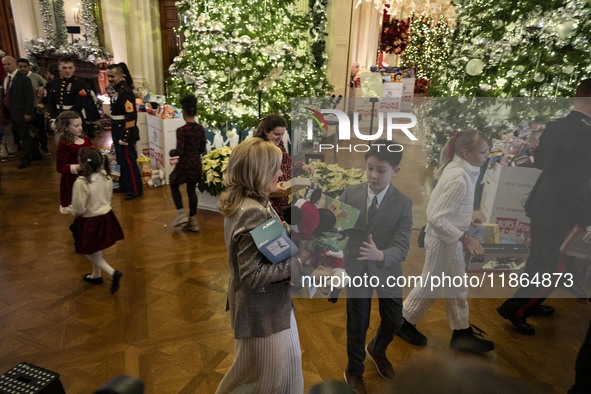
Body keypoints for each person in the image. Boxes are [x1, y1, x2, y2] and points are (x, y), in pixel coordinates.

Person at [497, 79, 591, 335]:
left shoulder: (558, 124)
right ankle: (516, 309)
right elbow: (577, 182)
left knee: (539, 259)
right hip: (561, 209)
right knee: (552, 267)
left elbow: (540, 162)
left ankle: (532, 301)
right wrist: (587, 217)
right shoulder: (585, 133)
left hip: (543, 202)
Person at [215, 138, 303, 394]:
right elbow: (252, 276)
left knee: (285, 366)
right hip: (262, 310)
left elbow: (274, 239)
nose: (280, 173)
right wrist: (298, 264)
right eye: (275, 168)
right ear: (258, 173)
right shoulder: (252, 211)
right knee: (268, 381)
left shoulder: (251, 201)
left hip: (270, 306)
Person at [398, 131, 494, 354]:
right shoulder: (459, 178)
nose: (487, 155)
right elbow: (436, 217)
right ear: (466, 153)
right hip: (443, 240)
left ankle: (461, 333)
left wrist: (469, 217)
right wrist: (466, 239)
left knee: (457, 286)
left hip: (448, 238)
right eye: (483, 152)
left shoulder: (459, 168)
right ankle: (402, 321)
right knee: (430, 284)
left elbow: (448, 207)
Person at [338, 140, 412, 394]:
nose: (373, 175)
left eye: (381, 170)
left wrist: (380, 253)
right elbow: (338, 233)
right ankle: (354, 371)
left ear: (396, 171)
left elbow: (402, 248)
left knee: (395, 320)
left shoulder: (403, 203)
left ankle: (377, 349)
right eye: (369, 168)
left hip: (386, 270)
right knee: (357, 324)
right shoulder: (350, 193)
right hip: (356, 270)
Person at [71, 147, 124, 294]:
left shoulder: (81, 183)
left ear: (82, 163)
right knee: (95, 247)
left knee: (88, 250)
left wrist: (74, 215)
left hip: (89, 220)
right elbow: (108, 197)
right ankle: (96, 274)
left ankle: (112, 272)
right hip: (105, 216)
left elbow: (79, 208)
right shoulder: (106, 176)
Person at [254, 114, 312, 220]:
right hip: (266, 200)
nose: (280, 138)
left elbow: (286, 162)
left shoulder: (278, 144)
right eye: (276, 134)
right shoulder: (257, 149)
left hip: (281, 196)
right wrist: (272, 187)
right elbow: (254, 181)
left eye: (282, 134)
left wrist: (301, 167)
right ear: (266, 131)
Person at [169, 94, 206, 232]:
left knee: (173, 183)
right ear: (195, 112)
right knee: (191, 190)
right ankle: (193, 220)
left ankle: (180, 214)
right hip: (196, 163)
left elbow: (180, 150)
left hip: (185, 163)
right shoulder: (200, 129)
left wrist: (171, 152)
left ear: (183, 112)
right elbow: (202, 148)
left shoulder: (181, 130)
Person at [107, 62, 143, 200]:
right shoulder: (117, 90)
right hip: (117, 129)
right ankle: (124, 185)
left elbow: (131, 116)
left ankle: (135, 189)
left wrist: (125, 137)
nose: (110, 79)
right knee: (121, 161)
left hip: (125, 132)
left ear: (121, 76)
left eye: (113, 76)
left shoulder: (125, 92)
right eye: (109, 76)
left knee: (129, 162)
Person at [2, 55, 38, 169]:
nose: (6, 66)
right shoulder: (6, 78)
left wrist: (28, 112)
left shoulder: (23, 79)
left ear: (14, 64)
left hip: (22, 112)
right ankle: (36, 153)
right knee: (22, 134)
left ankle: (25, 159)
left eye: (9, 64)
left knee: (25, 136)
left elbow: (29, 97)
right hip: (11, 112)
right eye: (4, 64)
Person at [55, 111, 93, 214]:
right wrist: (79, 167)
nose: (80, 128)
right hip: (73, 182)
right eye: (76, 126)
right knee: (78, 210)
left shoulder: (86, 139)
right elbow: (60, 167)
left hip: (88, 177)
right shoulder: (64, 144)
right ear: (66, 127)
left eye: (81, 125)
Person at [46, 57, 93, 135]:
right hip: (58, 116)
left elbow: (80, 104)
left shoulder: (80, 83)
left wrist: (65, 118)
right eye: (64, 68)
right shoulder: (53, 84)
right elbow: (50, 103)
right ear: (59, 68)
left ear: (74, 68)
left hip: (74, 118)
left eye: (70, 68)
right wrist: (53, 119)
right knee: (61, 142)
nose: (67, 71)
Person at [17, 58, 49, 155]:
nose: (22, 69)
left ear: (29, 67)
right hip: (23, 109)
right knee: (28, 131)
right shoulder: (16, 79)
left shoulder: (36, 77)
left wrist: (42, 99)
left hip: (36, 108)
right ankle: (34, 150)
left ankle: (44, 147)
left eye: (24, 67)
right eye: (20, 67)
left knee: (41, 129)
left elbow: (47, 86)